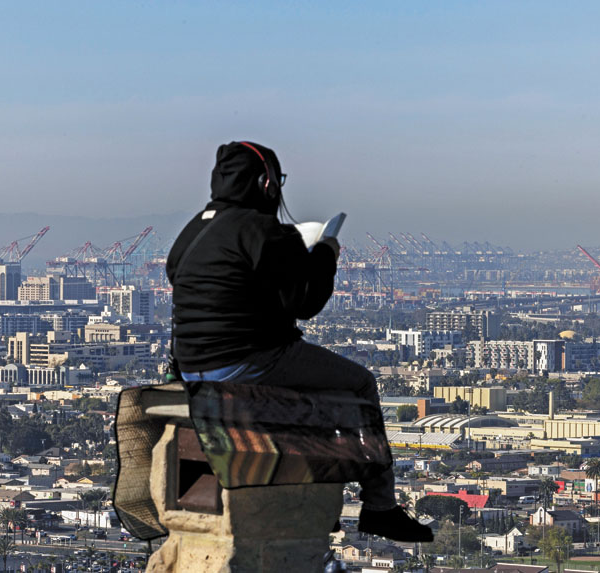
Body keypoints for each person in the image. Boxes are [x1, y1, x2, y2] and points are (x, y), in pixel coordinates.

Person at [166, 141, 432, 543]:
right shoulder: (261, 229)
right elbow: (306, 303)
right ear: (266, 183)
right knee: (359, 383)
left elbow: (186, 280)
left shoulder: (194, 229)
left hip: (190, 364)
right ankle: (380, 507)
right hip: (248, 360)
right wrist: (325, 253)